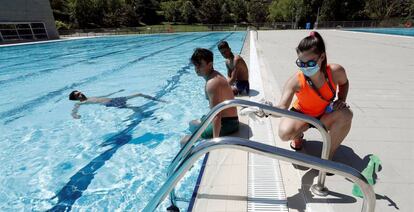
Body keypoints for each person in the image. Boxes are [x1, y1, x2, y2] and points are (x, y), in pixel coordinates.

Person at [277, 31, 353, 160]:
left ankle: (328, 156)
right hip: (302, 115)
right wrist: (264, 110)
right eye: (301, 63)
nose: (305, 68)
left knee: (347, 114)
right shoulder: (296, 80)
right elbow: (282, 106)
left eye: (310, 63)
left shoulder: (335, 71)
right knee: (284, 133)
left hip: (324, 114)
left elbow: (344, 83)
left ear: (322, 57)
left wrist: (341, 99)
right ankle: (298, 135)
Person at [181, 48, 239, 146]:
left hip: (227, 124)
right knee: (192, 123)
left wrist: (215, 141)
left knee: (184, 141)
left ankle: (193, 148)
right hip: (228, 119)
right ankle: (197, 135)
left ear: (210, 64)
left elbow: (217, 114)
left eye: (200, 65)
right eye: (196, 65)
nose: (197, 69)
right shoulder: (213, 76)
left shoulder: (213, 83)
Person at [68, 89, 164, 119]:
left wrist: (116, 91)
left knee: (139, 94)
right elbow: (74, 110)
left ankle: (158, 100)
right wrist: (75, 115)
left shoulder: (89, 97)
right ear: (76, 98)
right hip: (111, 103)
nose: (80, 94)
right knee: (136, 108)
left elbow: (105, 95)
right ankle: (152, 118)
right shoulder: (80, 103)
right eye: (78, 94)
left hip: (114, 99)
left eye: (79, 92)